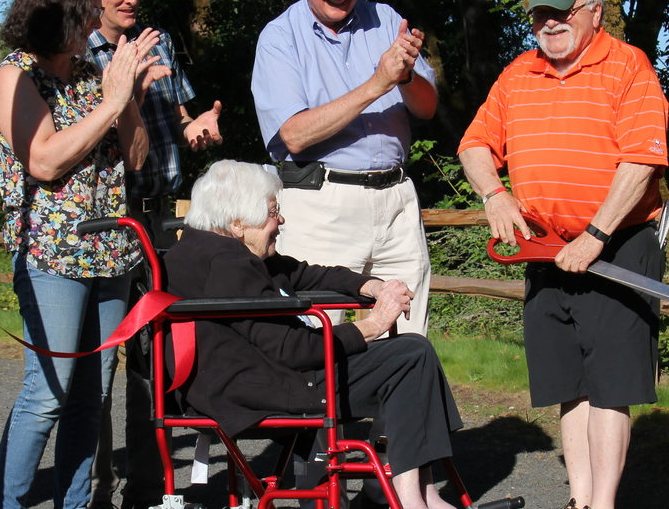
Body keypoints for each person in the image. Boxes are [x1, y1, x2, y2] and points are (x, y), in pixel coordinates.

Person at [457, 0, 669, 509]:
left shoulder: (628, 67)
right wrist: (495, 195)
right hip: (546, 248)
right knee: (568, 383)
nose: (549, 25)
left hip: (617, 246)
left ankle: (603, 504)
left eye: (561, 13)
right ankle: (579, 500)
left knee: (611, 387)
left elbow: (641, 161)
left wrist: (596, 235)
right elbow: (474, 146)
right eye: (540, 16)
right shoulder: (516, 75)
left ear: (593, 12)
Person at [164, 160, 462, 509]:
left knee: (411, 350)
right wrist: (371, 326)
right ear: (238, 222)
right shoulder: (228, 264)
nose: (281, 221)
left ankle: (418, 492)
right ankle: (413, 496)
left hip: (240, 382)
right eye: (274, 212)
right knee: (410, 356)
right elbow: (292, 350)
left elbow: (305, 273)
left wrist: (371, 285)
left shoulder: (212, 248)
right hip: (258, 390)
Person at [0, 0, 159, 509]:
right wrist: (110, 103)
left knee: (92, 397)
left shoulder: (93, 77)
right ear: (62, 11)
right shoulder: (14, 75)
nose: (97, 22)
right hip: (52, 257)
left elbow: (135, 157)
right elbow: (43, 160)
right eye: (88, 11)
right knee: (47, 396)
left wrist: (125, 95)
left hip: (111, 255)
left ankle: (76, 505)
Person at [78, 0, 223, 509]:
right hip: (100, 221)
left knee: (151, 358)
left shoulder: (154, 42)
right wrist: (125, 93)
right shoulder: (77, 53)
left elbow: (181, 112)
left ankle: (147, 487)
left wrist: (198, 124)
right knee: (98, 367)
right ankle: (93, 490)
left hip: (157, 218)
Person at [252, 0, 438, 335]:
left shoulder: (386, 19)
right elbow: (294, 136)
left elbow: (427, 107)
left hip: (396, 202)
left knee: (409, 340)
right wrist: (379, 82)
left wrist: (406, 77)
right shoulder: (279, 38)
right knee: (315, 345)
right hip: (320, 206)